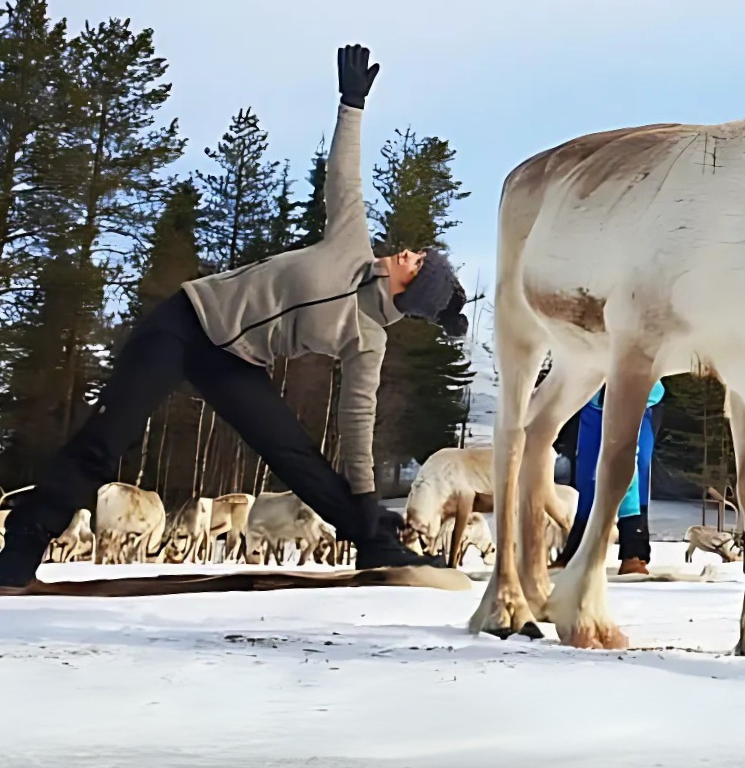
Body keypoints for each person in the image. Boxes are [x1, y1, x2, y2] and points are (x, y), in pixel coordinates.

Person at [0, 45, 466, 588]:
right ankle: (26, 540)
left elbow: (357, 422)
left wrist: (364, 500)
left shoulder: (368, 339)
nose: (409, 252)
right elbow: (346, 175)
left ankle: (377, 543)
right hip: (184, 322)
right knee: (109, 437)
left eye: (419, 262)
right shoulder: (350, 243)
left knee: (294, 454)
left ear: (413, 290)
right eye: (418, 253)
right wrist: (352, 103)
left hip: (234, 362)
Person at [555, 382, 666, 574]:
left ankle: (634, 551)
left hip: (639, 401)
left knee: (631, 469)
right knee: (588, 477)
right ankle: (577, 552)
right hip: (594, 401)